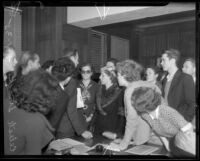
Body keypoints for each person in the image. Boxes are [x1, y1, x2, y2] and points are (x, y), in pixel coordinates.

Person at [3, 46, 54, 155]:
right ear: (30, 63)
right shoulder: (17, 83)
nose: (40, 65)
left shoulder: (15, 81)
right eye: (38, 62)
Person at [109, 59, 161, 151]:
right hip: (160, 136)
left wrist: (123, 144)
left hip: (146, 140)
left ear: (124, 75)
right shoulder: (151, 85)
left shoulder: (130, 90)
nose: (117, 78)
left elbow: (132, 119)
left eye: (118, 75)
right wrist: (127, 140)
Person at [132, 87, 195, 157]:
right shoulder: (145, 115)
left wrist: (177, 147)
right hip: (172, 143)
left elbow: (188, 130)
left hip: (185, 145)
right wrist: (168, 146)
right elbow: (159, 131)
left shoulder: (166, 111)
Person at [52, 49, 93, 139]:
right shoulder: (71, 81)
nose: (78, 62)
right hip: (66, 127)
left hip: (56, 125)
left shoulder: (57, 76)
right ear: (71, 58)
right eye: (77, 58)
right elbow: (71, 109)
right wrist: (81, 131)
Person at [160, 49, 195, 122]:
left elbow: (192, 104)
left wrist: (185, 122)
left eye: (164, 60)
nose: (161, 63)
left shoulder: (186, 78)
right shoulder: (165, 80)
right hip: (166, 121)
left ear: (172, 61)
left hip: (180, 121)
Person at [94, 66, 125, 139]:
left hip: (112, 129)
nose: (100, 77)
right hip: (98, 128)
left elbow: (122, 115)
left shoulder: (120, 92)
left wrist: (117, 134)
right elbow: (96, 111)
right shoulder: (99, 89)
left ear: (110, 77)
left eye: (103, 75)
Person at [77, 63, 100, 132]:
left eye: (88, 71)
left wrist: (91, 116)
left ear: (91, 73)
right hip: (77, 117)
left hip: (91, 117)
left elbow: (97, 103)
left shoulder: (96, 86)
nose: (85, 73)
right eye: (83, 71)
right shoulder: (75, 84)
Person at [182, 58, 196, 129]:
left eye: (186, 67)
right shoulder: (182, 82)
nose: (183, 69)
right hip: (184, 115)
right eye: (183, 67)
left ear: (194, 69)